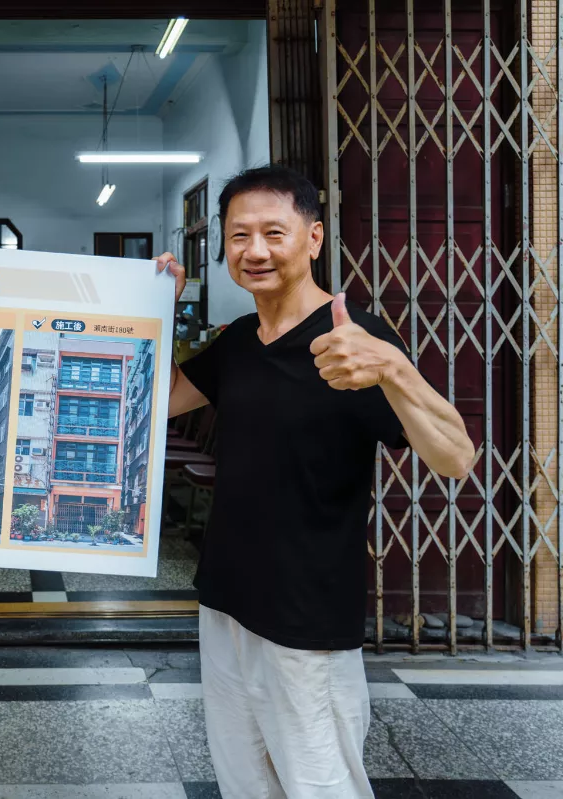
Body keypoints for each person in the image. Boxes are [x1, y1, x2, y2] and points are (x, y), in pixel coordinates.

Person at [157, 165, 474, 799]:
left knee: (319, 786)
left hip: (305, 620)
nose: (256, 251)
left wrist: (395, 370)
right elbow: (157, 402)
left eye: (274, 232)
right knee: (245, 783)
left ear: (314, 238)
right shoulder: (241, 341)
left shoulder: (356, 342)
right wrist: (154, 315)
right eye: (239, 235)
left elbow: (456, 458)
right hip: (225, 605)